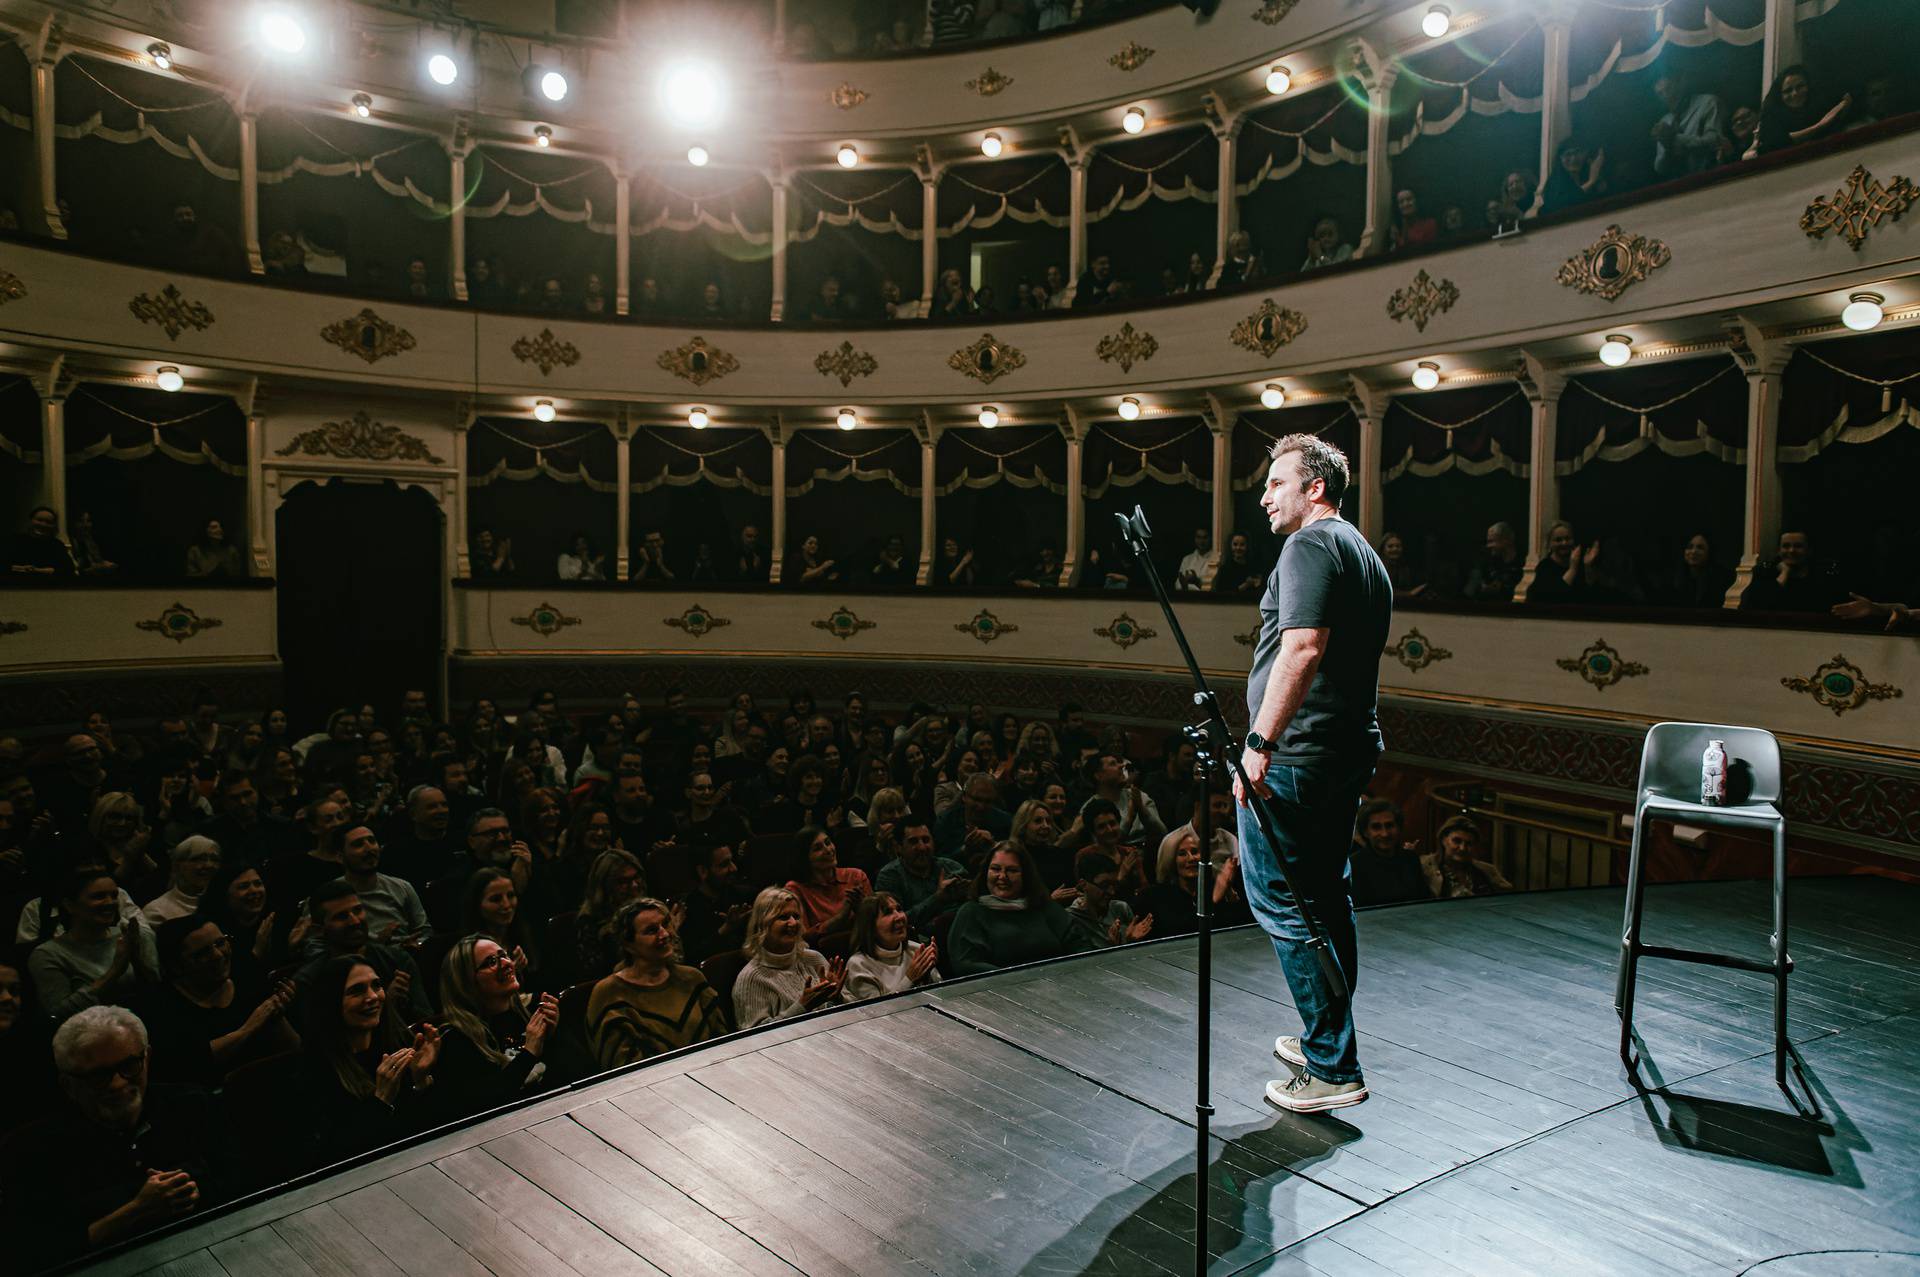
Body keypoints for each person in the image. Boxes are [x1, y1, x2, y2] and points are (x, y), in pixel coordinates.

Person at [1237, 432, 1391, 1114]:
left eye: (1277, 482)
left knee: (1284, 902)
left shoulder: (1309, 546)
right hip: (1342, 749)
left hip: (1297, 755)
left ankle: (1332, 1062)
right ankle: (1326, 1037)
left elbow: (1302, 646)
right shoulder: (1362, 552)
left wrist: (1258, 744)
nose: (1265, 495)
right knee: (1328, 898)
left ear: (1315, 487)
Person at [2, 1006, 222, 1269]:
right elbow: (28, 1253)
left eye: (129, 1065)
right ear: (68, 1085)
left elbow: (245, 1176)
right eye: (97, 1076)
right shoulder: (30, 1149)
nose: (117, 1084)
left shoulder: (192, 1104)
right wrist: (134, 1212)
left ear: (147, 1058)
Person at [296, 955, 440, 1165]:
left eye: (377, 985)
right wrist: (381, 1100)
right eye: (356, 991)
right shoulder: (315, 1070)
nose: (373, 996)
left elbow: (428, 1127)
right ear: (331, 1002)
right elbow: (335, 1156)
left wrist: (420, 1081)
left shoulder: (399, 1042)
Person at [142, 914, 295, 1086]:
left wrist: (277, 1014)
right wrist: (248, 1028)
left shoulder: (247, 977)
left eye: (220, 942)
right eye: (202, 953)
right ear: (176, 966)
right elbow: (188, 1065)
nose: (218, 955)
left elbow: (294, 1049)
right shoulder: (161, 1005)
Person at [587, 897, 725, 1066]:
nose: (665, 934)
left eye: (666, 924)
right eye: (652, 931)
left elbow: (723, 1041)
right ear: (628, 944)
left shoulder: (692, 978)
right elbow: (620, 1069)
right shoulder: (608, 994)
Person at [433, 936, 558, 1119]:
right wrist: (529, 1052)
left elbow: (581, 1071)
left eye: (504, 955)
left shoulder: (534, 1009)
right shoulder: (457, 1040)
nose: (506, 963)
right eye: (491, 962)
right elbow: (488, 1106)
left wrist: (555, 1037)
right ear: (466, 983)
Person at [30, 868, 160, 1021]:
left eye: (114, 896)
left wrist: (138, 958)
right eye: (99, 897)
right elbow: (55, 1014)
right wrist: (115, 971)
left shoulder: (130, 936)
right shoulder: (49, 954)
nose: (110, 903)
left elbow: (157, 991)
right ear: (70, 905)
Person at [946, 841, 1089, 974]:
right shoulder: (971, 912)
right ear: (985, 873)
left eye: (1011, 870)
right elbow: (966, 964)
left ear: (1025, 875)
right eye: (995, 869)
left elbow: (1080, 945)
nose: (1002, 876)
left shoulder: (1043, 907)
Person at [732, 886, 846, 1028]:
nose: (793, 923)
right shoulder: (751, 978)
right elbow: (755, 1038)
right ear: (762, 924)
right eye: (783, 917)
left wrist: (837, 997)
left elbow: (854, 1006)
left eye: (796, 917)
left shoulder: (814, 959)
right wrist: (802, 1006)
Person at [1136, 824, 1250, 939]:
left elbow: (1238, 927)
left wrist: (1230, 896)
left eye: (1195, 852)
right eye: (1182, 854)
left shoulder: (1213, 888)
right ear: (1171, 860)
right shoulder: (1157, 897)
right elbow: (1184, 931)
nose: (1191, 858)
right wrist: (1214, 899)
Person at [875, 814, 970, 929]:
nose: (922, 847)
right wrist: (937, 899)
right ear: (898, 847)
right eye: (913, 842)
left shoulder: (952, 867)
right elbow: (895, 922)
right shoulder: (889, 876)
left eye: (926, 840)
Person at [841, 892, 940, 1002]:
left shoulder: (916, 950)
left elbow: (939, 995)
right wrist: (910, 979)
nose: (899, 917)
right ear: (870, 927)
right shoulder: (859, 965)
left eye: (899, 909)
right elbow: (877, 1012)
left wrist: (928, 974)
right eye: (888, 912)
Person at [786, 826, 870, 945]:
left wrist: (864, 909)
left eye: (828, 843)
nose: (828, 850)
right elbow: (801, 937)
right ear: (804, 858)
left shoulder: (856, 876)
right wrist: (840, 918)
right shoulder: (795, 889)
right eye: (818, 848)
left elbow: (877, 922)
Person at [677, 840, 753, 967]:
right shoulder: (688, 910)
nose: (734, 868)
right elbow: (693, 957)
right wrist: (725, 930)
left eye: (732, 861)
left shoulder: (745, 895)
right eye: (724, 865)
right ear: (702, 871)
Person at [1741, 529, 1846, 613]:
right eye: (1786, 546)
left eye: (1798, 546)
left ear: (1809, 550)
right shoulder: (1765, 574)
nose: (1791, 551)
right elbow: (1755, 607)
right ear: (1779, 550)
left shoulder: (1822, 578)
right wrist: (1784, 574)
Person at [1755, 64, 1852, 154]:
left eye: (1800, 87)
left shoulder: (1821, 104)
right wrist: (1819, 126)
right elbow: (1775, 143)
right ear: (1779, 96)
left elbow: (1846, 100)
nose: (1795, 94)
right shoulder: (1774, 118)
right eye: (1787, 91)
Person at [1347, 799, 1428, 906]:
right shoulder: (1355, 864)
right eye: (1376, 827)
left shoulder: (1410, 859)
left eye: (1389, 825)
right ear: (1366, 832)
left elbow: (1423, 899)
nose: (1384, 834)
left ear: (1398, 828)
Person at [1064, 849, 1151, 948]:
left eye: (1113, 885)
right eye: (1104, 886)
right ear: (1083, 884)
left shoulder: (1120, 908)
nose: (1111, 892)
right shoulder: (1071, 919)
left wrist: (1132, 942)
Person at [1650, 71, 1725, 178]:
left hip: (1712, 179)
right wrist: (1667, 147)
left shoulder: (1708, 102)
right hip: (1681, 186)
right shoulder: (1665, 121)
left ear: (1681, 82)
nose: (1666, 97)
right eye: (1660, 94)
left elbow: (1715, 141)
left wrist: (1674, 139)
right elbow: (1659, 167)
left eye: (1669, 89)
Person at [1420, 816, 1513, 898]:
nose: (1462, 848)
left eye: (1468, 844)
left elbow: (1508, 898)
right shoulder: (1424, 867)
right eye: (1457, 841)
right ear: (1444, 840)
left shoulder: (1486, 870)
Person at [141, 835, 222, 925]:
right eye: (200, 859)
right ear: (177, 866)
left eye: (215, 860)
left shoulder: (226, 903)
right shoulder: (157, 912)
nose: (209, 865)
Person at [1653, 532, 1736, 609]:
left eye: (1700, 548)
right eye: (1690, 547)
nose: (1693, 551)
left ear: (1709, 552)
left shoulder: (1722, 578)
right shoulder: (1673, 578)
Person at [1540, 138, 1608, 215]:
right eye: (1568, 154)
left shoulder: (1587, 175)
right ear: (1560, 158)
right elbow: (1559, 205)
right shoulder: (1554, 182)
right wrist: (1591, 182)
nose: (1573, 159)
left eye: (1577, 152)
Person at [1463, 521, 1523, 601]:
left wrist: (1501, 589)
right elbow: (1470, 592)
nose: (1488, 546)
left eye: (1491, 541)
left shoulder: (1523, 564)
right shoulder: (1489, 564)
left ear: (1506, 540)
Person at [9, 505, 77, 576]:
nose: (43, 524)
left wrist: (39, 571)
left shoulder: (57, 545)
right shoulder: (15, 541)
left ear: (54, 526)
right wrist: (21, 569)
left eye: (49, 522)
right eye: (39, 520)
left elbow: (68, 569)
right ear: (30, 521)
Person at [1175, 526, 1212, 591]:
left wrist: (1196, 581)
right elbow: (1178, 583)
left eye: (1205, 537)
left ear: (1210, 539)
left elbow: (1212, 586)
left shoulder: (1214, 559)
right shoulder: (1187, 559)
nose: (1201, 541)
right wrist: (1184, 584)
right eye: (1198, 537)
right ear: (1195, 539)